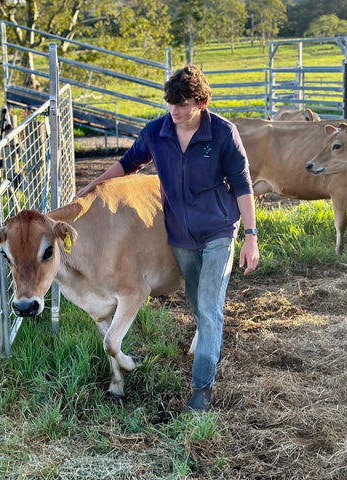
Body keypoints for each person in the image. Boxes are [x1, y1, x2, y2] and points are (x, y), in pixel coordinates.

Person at [76, 65, 259, 413]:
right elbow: (128, 164)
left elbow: (242, 185)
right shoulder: (157, 132)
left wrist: (250, 236)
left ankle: (201, 390)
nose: (174, 111)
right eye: (170, 103)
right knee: (194, 301)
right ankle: (205, 340)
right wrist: (88, 191)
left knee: (208, 310)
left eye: (183, 103)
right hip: (179, 235)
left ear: (201, 102)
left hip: (219, 230)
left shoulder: (223, 133)